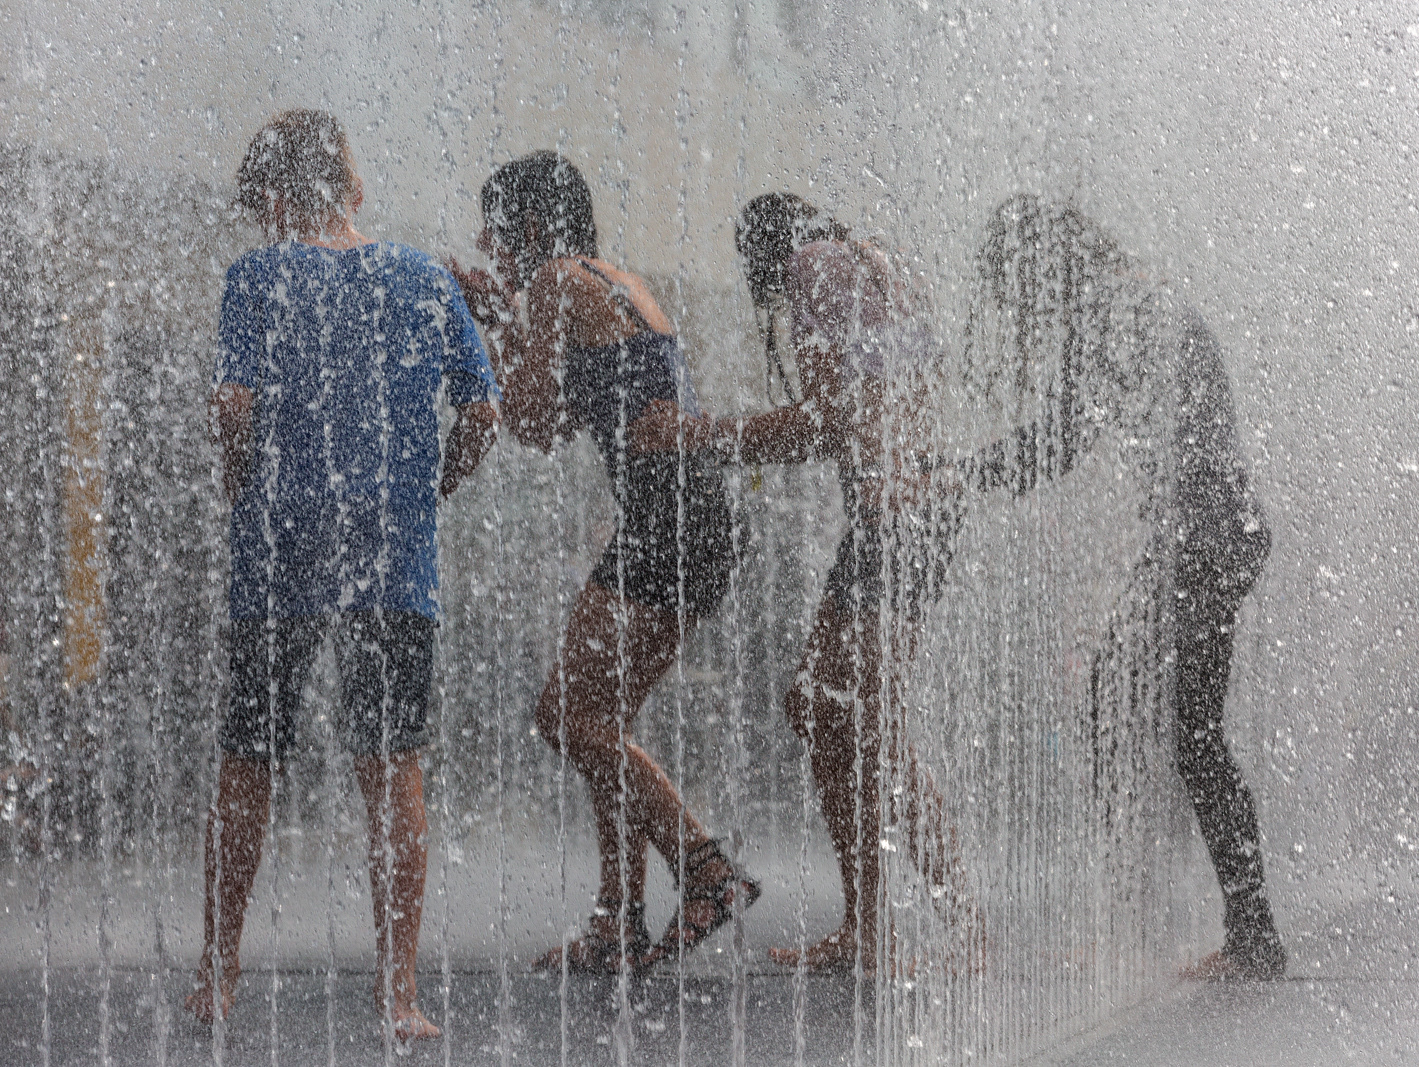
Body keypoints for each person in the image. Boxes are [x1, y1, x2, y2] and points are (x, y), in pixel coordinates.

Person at [186, 109, 500, 1040]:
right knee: (392, 769)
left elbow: (233, 406)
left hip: (276, 553)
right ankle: (397, 991)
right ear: (353, 188)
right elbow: (481, 413)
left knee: (249, 761)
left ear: (274, 199)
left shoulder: (255, 275)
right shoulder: (422, 276)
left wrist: (241, 486)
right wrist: (425, 492)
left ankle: (218, 974)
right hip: (389, 555)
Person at [629, 193, 972, 974]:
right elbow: (884, 403)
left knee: (852, 719)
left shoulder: (814, 268)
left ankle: (942, 928)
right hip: (919, 508)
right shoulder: (875, 262)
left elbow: (824, 422)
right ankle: (881, 927)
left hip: (897, 514)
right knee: (833, 712)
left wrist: (700, 435)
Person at [449, 152, 756, 976]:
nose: (488, 240)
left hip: (667, 520)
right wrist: (503, 315)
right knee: (597, 723)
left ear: (538, 228)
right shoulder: (612, 279)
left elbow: (526, 421)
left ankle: (705, 867)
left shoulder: (554, 280)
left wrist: (485, 317)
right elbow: (554, 423)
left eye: (497, 224)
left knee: (566, 717)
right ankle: (618, 919)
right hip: (697, 517)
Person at [972, 194, 1287, 980]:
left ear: (1048, 269)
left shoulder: (1113, 308)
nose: (1023, 308)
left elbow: (1060, 440)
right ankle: (1224, 926)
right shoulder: (1136, 298)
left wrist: (957, 476)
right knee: (1151, 715)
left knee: (1166, 725)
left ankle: (1204, 926)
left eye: (1021, 287)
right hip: (1213, 531)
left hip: (1204, 536)